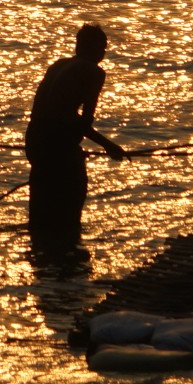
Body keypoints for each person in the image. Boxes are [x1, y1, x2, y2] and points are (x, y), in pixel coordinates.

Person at [24, 23, 125, 252]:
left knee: (41, 207)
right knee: (71, 201)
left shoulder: (58, 65)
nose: (104, 53)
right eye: (102, 47)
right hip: (58, 147)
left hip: (35, 141)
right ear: (94, 49)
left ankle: (41, 253)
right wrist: (109, 145)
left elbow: (48, 110)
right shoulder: (93, 72)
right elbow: (81, 121)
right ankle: (68, 254)